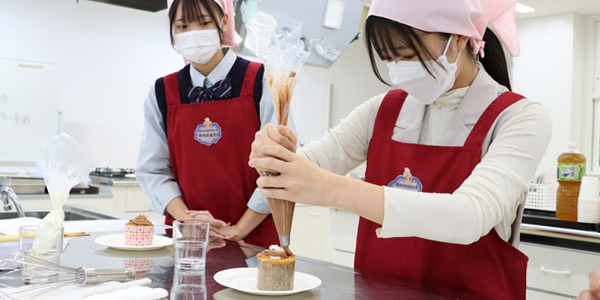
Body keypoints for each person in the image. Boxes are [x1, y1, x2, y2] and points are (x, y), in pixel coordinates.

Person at [248, 0, 552, 298]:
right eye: (389, 58)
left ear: (460, 37)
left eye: (407, 54)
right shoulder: (381, 110)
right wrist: (276, 157)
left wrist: (333, 189)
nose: (398, 70)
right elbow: (312, 164)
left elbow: (470, 216)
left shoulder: (520, 118)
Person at [137, 0, 285, 248]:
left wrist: (238, 229)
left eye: (204, 23)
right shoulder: (162, 92)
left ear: (224, 21)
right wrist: (189, 221)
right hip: (188, 240)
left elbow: (280, 166)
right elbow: (153, 171)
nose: (193, 34)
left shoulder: (264, 80)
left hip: (254, 237)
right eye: (182, 26)